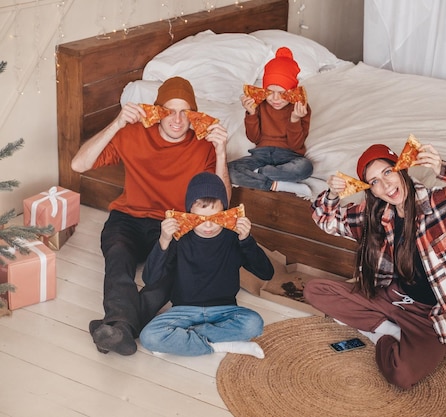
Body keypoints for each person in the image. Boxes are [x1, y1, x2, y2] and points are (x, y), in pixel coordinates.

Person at [304, 143, 446, 389]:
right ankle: (386, 331)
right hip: (393, 298)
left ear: (401, 168)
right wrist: (331, 193)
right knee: (314, 291)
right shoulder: (375, 216)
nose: (385, 185)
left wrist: (444, 168)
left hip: (433, 316)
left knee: (401, 375)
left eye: (387, 172)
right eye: (374, 182)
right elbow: (324, 218)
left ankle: (383, 331)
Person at [71, 76, 230, 356]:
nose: (177, 120)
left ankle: (119, 328)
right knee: (118, 256)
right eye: (169, 111)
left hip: (174, 224)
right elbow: (78, 163)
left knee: (172, 274)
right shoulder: (131, 133)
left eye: (185, 112)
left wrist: (221, 152)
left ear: (194, 115)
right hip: (128, 217)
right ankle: (123, 326)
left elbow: (223, 203)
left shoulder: (204, 145)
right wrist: (117, 122)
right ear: (157, 112)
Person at [139, 172, 273, 358]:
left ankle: (184, 340)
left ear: (225, 212)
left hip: (225, 310)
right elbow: (150, 278)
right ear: (188, 214)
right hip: (183, 311)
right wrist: (163, 240)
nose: (208, 226)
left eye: (215, 218)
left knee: (254, 323)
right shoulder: (179, 239)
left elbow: (266, 273)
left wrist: (246, 240)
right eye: (200, 219)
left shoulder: (233, 237)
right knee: (148, 336)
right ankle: (222, 345)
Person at [228, 47, 313, 197]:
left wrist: (295, 119)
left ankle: (259, 174)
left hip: (289, 156)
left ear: (293, 90)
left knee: (305, 168)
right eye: (270, 92)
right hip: (261, 155)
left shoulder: (301, 108)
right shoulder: (260, 105)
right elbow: (254, 138)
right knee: (228, 169)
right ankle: (275, 184)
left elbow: (296, 145)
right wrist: (251, 113)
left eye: (281, 93)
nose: (275, 99)